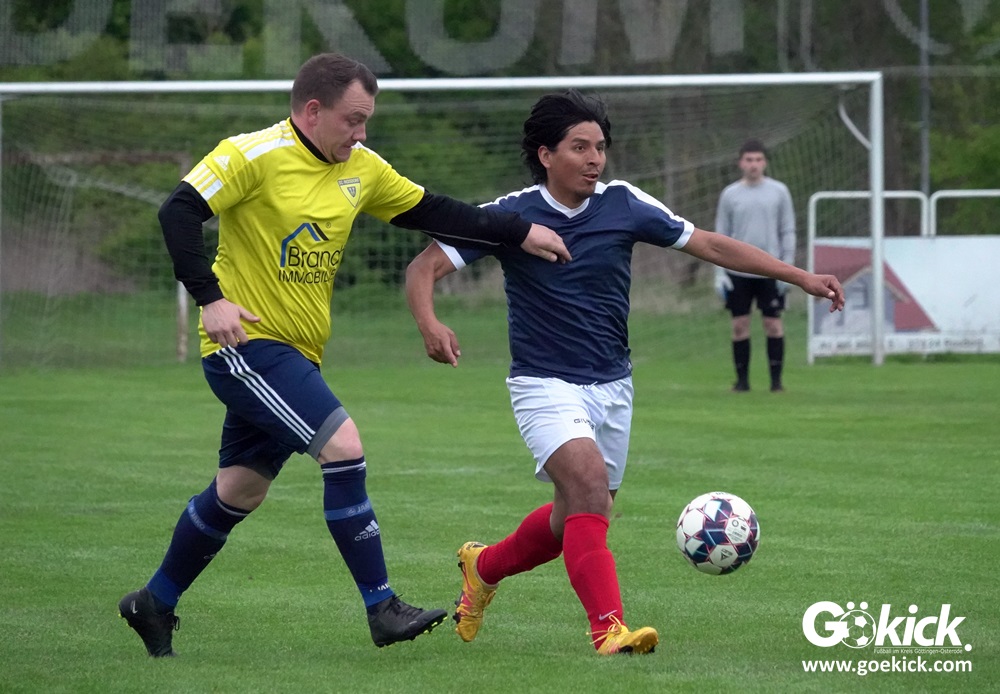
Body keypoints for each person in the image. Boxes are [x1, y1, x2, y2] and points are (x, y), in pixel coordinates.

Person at [117, 52, 571, 658]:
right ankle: (382, 607)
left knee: (239, 490)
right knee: (344, 447)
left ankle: (154, 602)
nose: (361, 133)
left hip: (298, 355)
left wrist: (519, 230)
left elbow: (434, 210)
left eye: (367, 121)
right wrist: (211, 299)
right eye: (353, 120)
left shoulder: (362, 168)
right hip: (247, 349)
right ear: (313, 110)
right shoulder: (252, 155)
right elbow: (177, 210)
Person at [405, 90, 844, 655]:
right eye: (579, 147)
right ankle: (609, 629)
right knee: (589, 489)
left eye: (600, 147)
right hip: (544, 382)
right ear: (545, 155)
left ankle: (483, 567)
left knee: (577, 514)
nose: (595, 159)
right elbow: (424, 267)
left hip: (614, 385)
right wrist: (429, 323)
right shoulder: (511, 216)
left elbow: (709, 244)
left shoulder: (623, 203)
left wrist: (798, 276)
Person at [714, 139, 797, 392]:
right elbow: (720, 234)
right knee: (739, 325)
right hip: (737, 270)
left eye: (758, 160)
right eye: (749, 160)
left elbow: (788, 229)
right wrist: (719, 273)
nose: (754, 164)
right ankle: (742, 383)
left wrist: (788, 268)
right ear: (741, 163)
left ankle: (776, 383)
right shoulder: (730, 194)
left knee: (773, 324)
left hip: (770, 269)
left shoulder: (779, 192)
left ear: (765, 162)